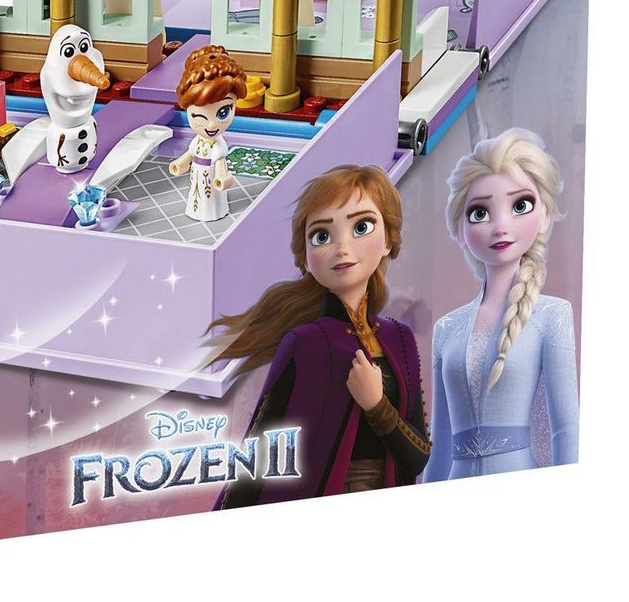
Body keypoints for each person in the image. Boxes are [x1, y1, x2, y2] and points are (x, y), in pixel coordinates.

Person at [210, 165, 430, 504]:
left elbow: (417, 457)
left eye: (361, 227)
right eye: (322, 236)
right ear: (305, 258)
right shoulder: (305, 343)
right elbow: (262, 448)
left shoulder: (399, 338)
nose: (342, 247)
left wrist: (377, 406)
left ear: (388, 240)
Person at [424, 129, 578, 481]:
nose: (500, 227)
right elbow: (440, 445)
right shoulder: (446, 328)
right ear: (460, 228)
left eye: (520, 206)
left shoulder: (552, 316)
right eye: (479, 213)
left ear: (544, 216)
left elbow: (566, 430)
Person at [168, 45, 249, 222]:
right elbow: (190, 154)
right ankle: (194, 210)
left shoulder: (218, 144)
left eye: (223, 112)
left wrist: (221, 177)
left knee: (212, 199)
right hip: (197, 173)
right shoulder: (198, 141)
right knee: (196, 194)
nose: (211, 125)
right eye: (198, 115)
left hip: (211, 177)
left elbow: (220, 162)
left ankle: (215, 212)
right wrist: (180, 164)